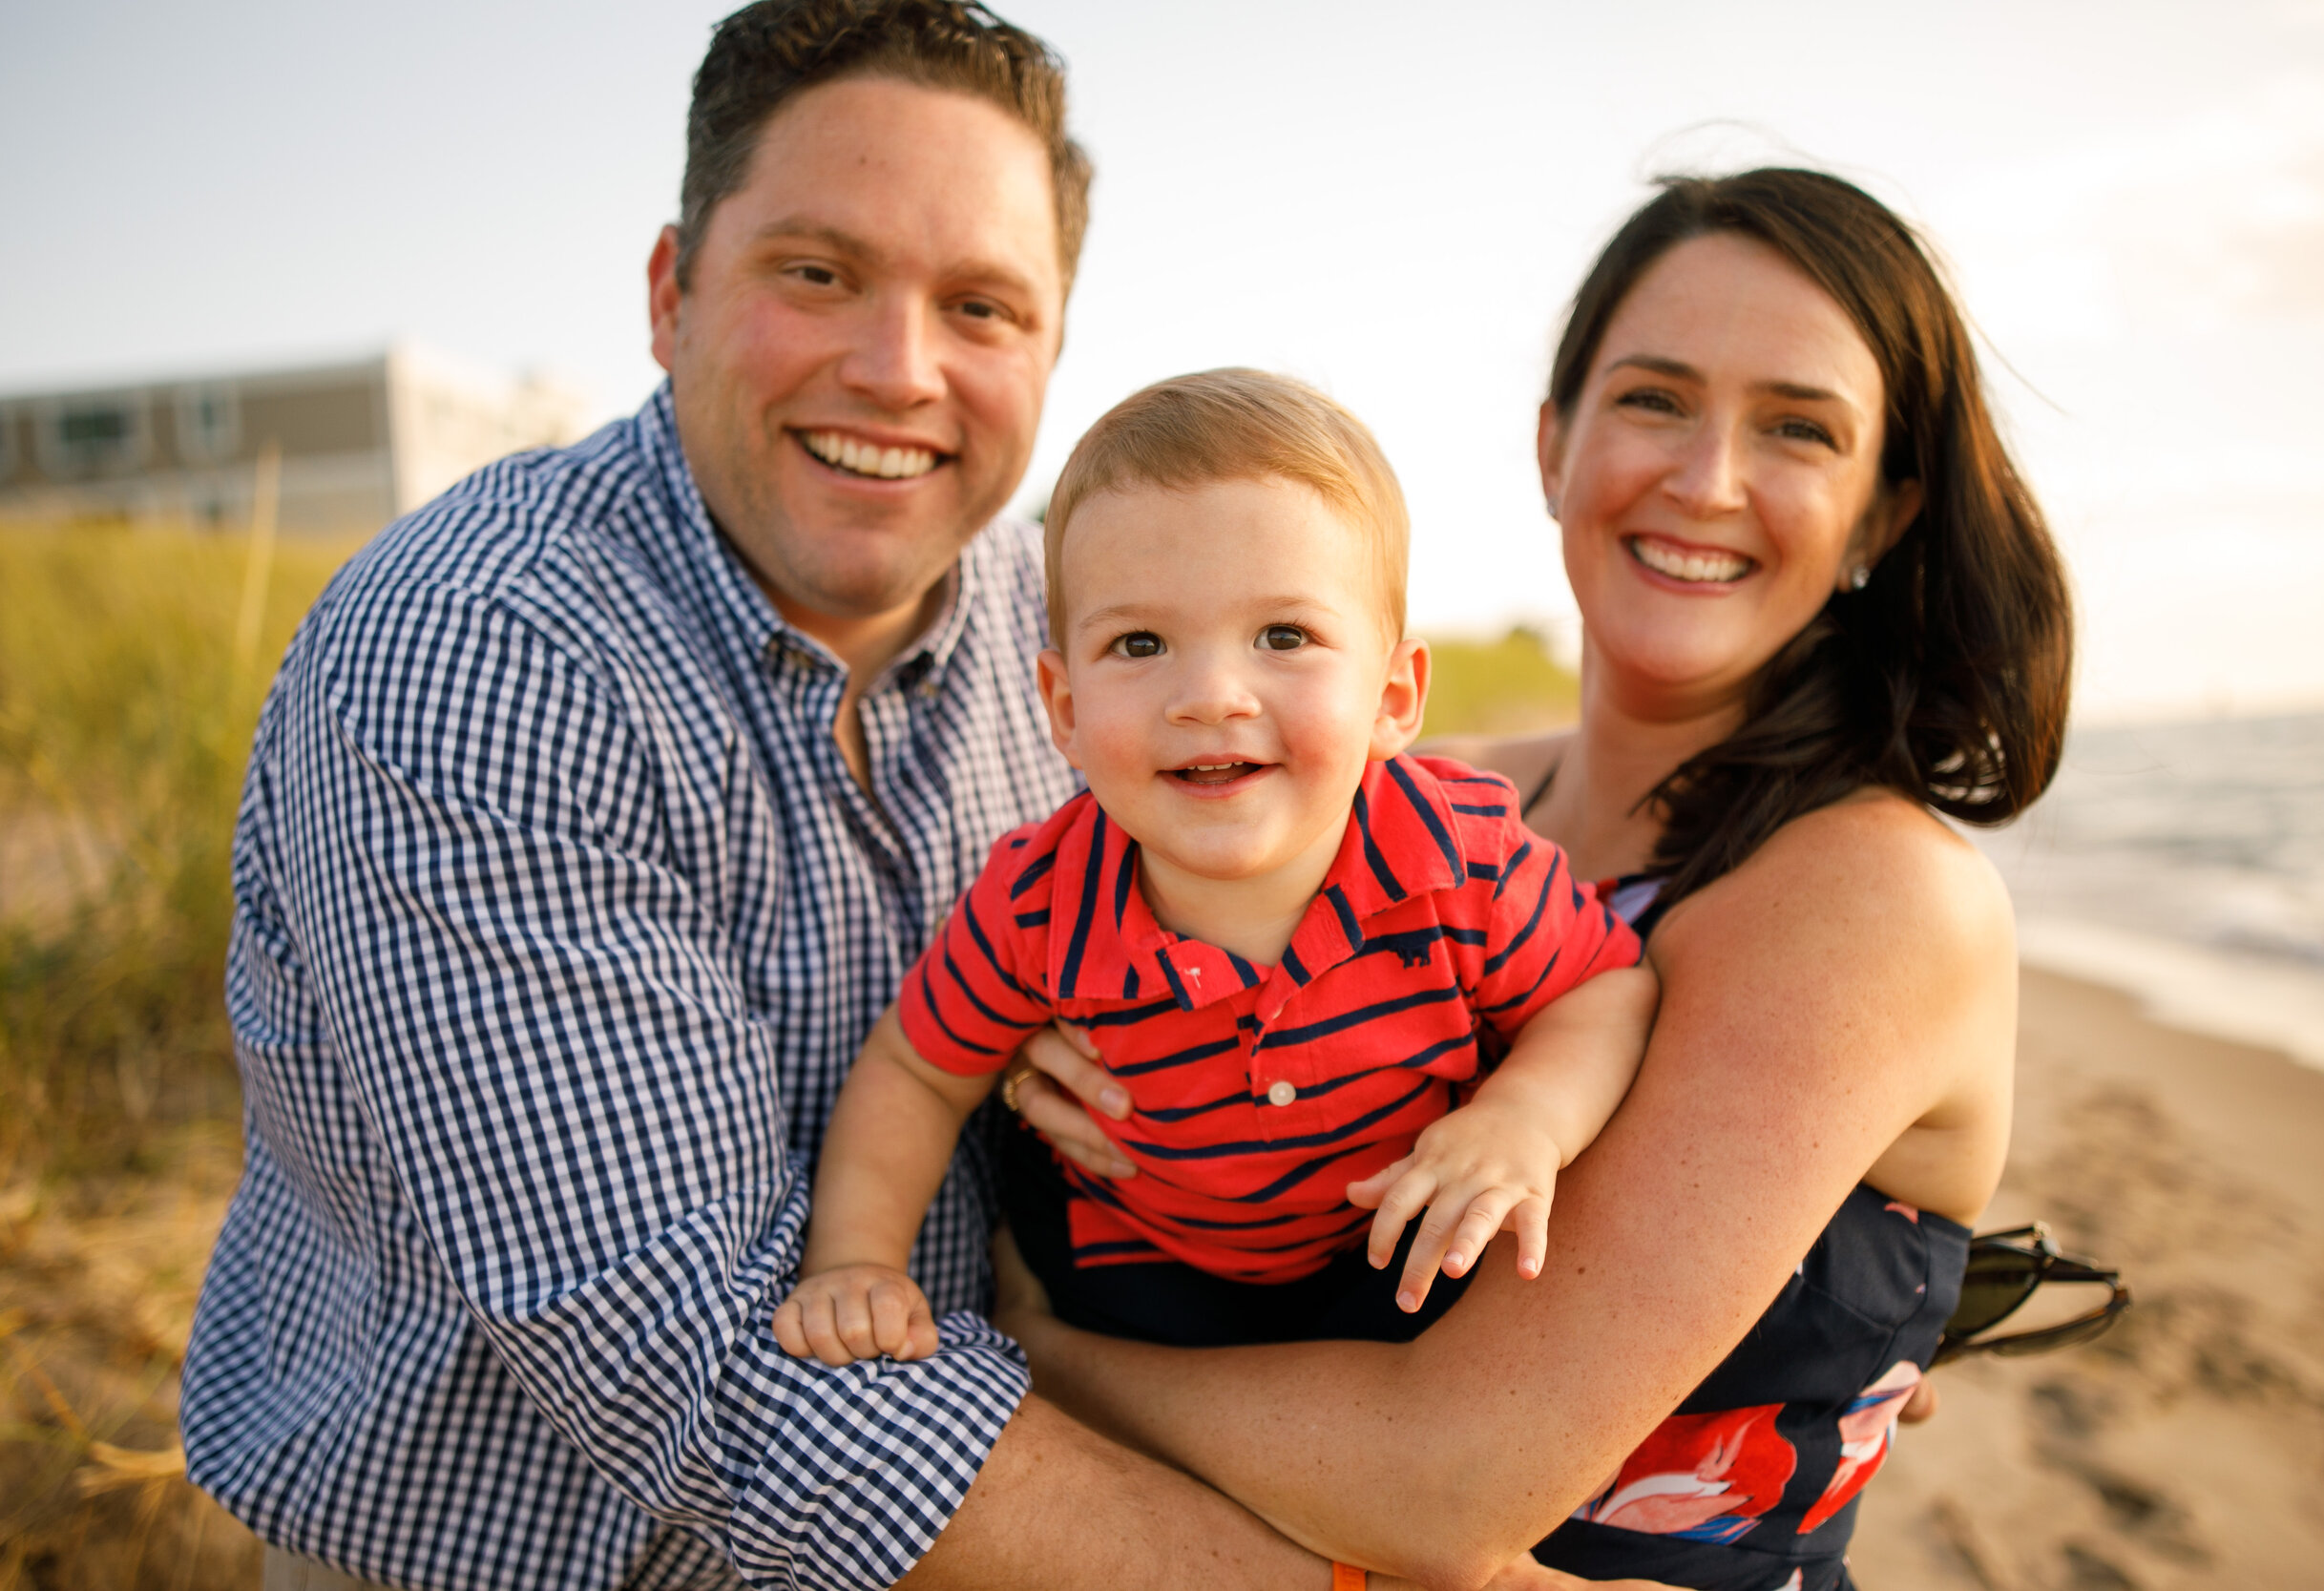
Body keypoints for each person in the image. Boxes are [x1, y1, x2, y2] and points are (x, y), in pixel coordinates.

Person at [180, 5, 1477, 1588]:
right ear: (673, 292)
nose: (899, 370)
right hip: (552, 1554)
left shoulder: (1060, 625)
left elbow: (1376, 799)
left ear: (1052, 351)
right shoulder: (490, 652)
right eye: (819, 273)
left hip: (997, 1502)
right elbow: (699, 1368)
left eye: (983, 305)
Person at [996, 167, 2071, 1591]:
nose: (1706, 477)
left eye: (1799, 427)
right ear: (1554, 443)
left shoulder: (1872, 890)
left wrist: (1031, 1343)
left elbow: (1439, 1484)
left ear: (1883, 512)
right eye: (1654, 399)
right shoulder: (1424, 798)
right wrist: (1059, 1051)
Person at [776, 370, 1655, 1369]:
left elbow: (1605, 993)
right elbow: (915, 1069)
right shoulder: (1036, 901)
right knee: (1124, 1415)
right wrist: (856, 1257)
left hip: (1384, 1241)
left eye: (1283, 635)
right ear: (1062, 707)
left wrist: (1525, 1113)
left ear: (1394, 692)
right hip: (1137, 1260)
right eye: (1139, 642)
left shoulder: (1461, 855)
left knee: (1442, 1345)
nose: (1208, 694)